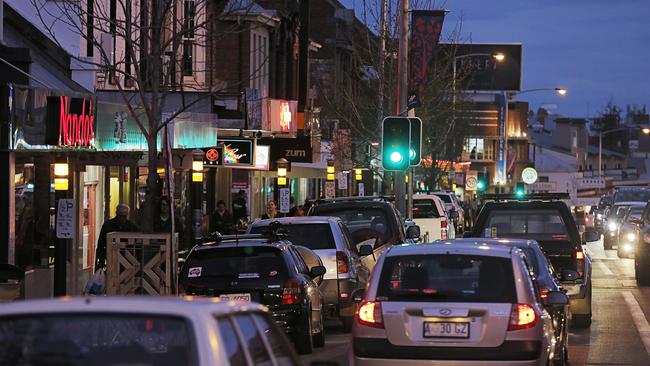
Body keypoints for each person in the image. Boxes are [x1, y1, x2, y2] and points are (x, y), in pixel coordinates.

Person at [95, 204, 139, 269]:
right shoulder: (108, 225)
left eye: (124, 216)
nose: (122, 219)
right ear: (116, 214)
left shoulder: (132, 226)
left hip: (126, 257)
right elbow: (101, 243)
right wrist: (101, 261)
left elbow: (101, 243)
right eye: (120, 216)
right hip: (114, 257)